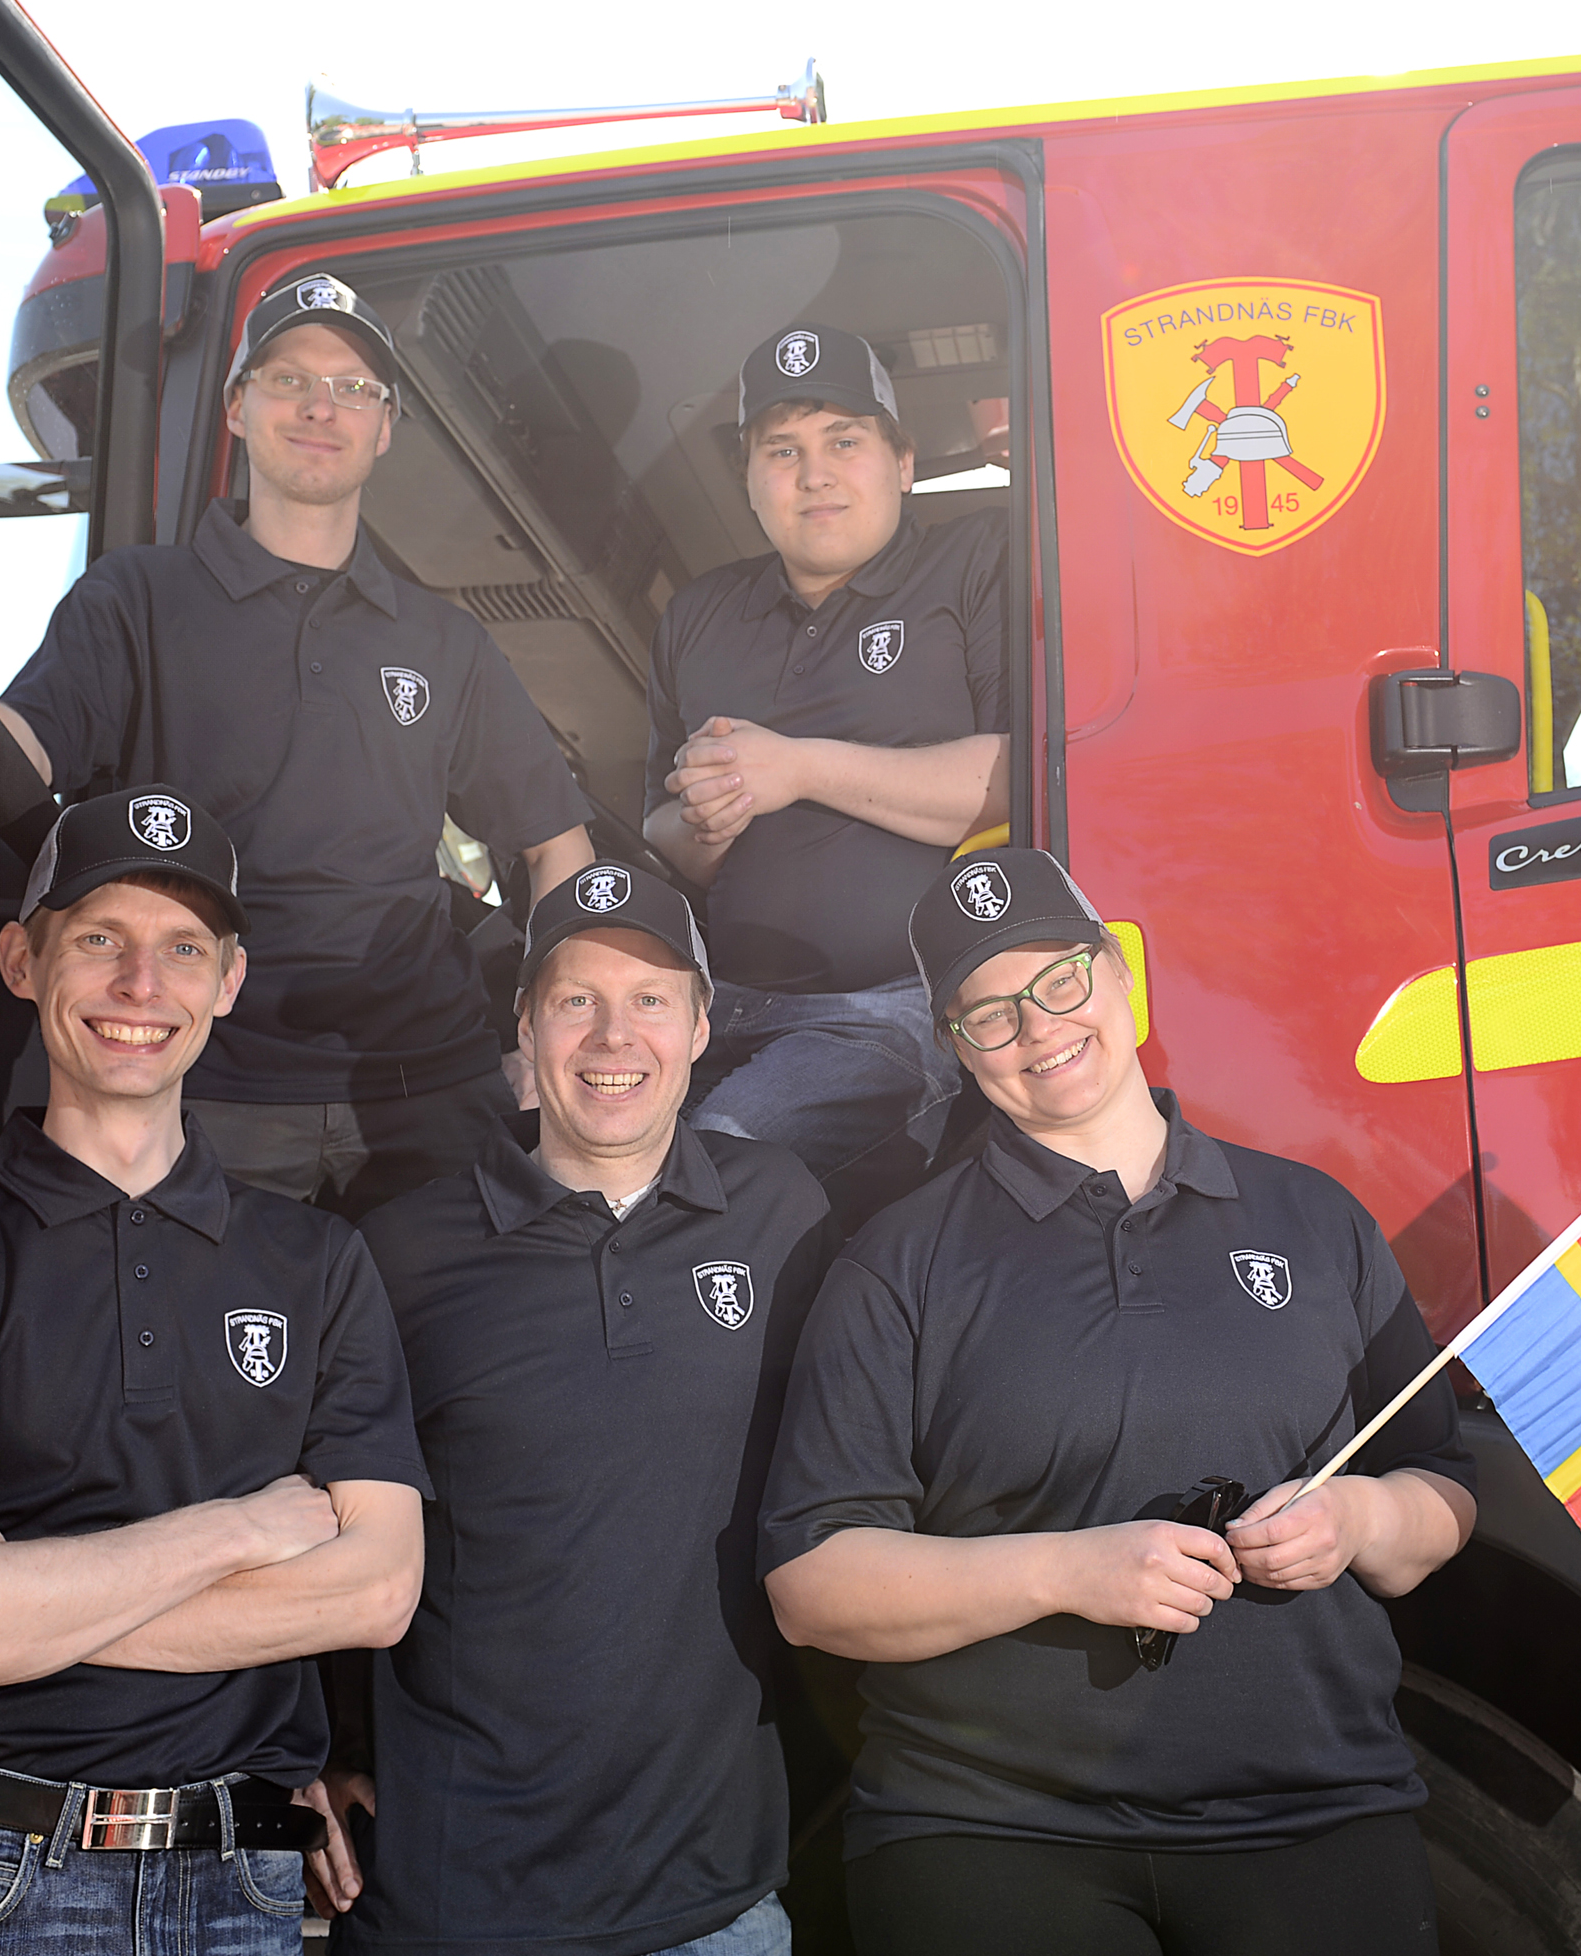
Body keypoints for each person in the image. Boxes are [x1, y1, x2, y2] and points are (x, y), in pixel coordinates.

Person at [758, 848, 1475, 1956]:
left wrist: (1361, 1517)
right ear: (956, 1047)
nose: (1039, 1029)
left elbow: (1444, 1490)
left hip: (1314, 1814)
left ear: (1120, 975)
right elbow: (813, 1586)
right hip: (988, 1831)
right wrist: (1067, 1572)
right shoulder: (894, 1264)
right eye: (990, 1014)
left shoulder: (1313, 1218)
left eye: (1059, 979)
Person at [0, 787, 429, 1954]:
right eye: (99, 937)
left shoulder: (319, 1263)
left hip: (238, 1883)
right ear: (21, 959)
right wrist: (235, 1531)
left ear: (228, 981)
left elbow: (375, 1591)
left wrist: (6, 1587)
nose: (142, 984)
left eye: (184, 947)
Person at [0, 270, 598, 1215]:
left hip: (427, 1088)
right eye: (288, 379)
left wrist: (551, 1034)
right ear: (238, 408)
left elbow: (556, 845)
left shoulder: (446, 642)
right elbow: (25, 753)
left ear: (384, 427)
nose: (320, 406)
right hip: (201, 1085)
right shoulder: (135, 600)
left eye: (353, 387)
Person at [307, 863, 833, 1954]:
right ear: (525, 1026)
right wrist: (312, 1746)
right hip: (449, 1898)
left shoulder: (784, 1213)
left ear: (701, 1025)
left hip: (712, 1904)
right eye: (575, 1000)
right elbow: (316, 1516)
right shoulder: (401, 1251)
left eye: (650, 999)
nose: (613, 1036)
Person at [644, 323, 1007, 1178]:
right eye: (782, 451)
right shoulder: (698, 614)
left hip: (894, 1010)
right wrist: (710, 815)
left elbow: (1015, 778)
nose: (814, 474)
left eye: (844, 441)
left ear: (903, 462)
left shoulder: (973, 559)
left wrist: (799, 767)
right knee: (579, 1156)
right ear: (748, 480)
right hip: (717, 1006)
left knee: (712, 1163)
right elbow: (662, 833)